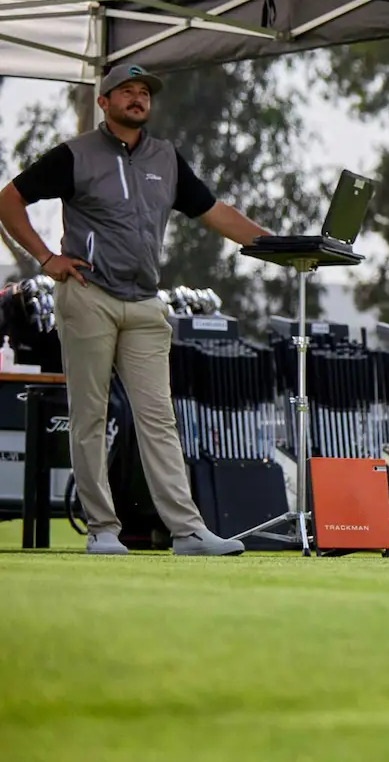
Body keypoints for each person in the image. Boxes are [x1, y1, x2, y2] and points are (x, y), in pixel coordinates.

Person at [0, 64, 271, 556]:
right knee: (91, 416)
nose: (137, 97)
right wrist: (45, 258)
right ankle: (103, 530)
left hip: (145, 303)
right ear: (103, 102)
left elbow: (215, 212)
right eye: (126, 90)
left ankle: (187, 531)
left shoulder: (165, 157)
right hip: (88, 296)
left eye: (144, 91)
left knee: (158, 418)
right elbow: (9, 199)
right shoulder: (74, 155)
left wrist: (278, 245)